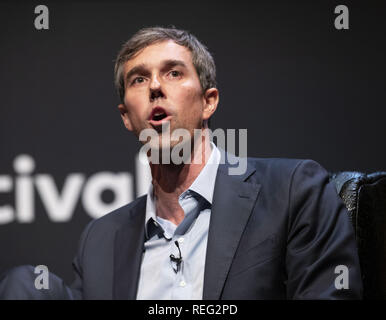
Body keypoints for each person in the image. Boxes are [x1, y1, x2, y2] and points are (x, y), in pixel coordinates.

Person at [0, 26, 362, 299]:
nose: (155, 86)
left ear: (209, 101)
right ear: (127, 117)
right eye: (139, 79)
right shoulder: (101, 239)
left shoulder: (291, 190)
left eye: (173, 73)